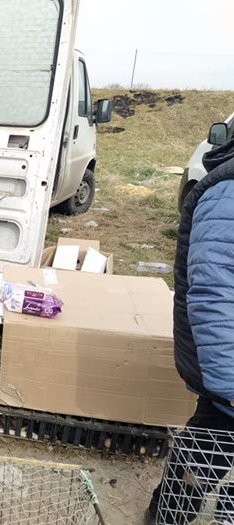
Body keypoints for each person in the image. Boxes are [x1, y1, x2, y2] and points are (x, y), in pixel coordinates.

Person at [144, 137, 234, 525]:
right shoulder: (227, 194)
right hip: (228, 387)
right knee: (197, 466)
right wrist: (231, 387)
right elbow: (213, 295)